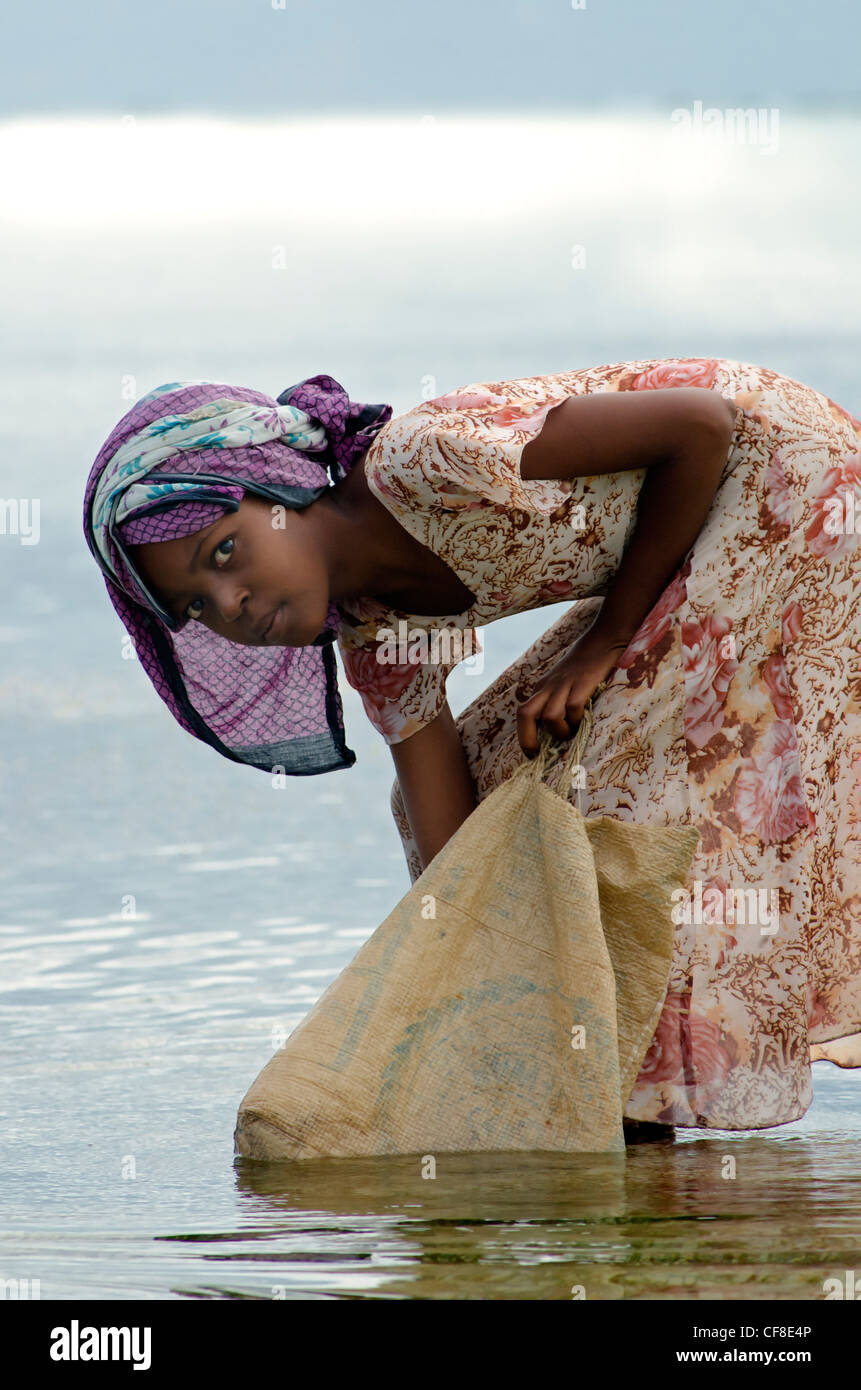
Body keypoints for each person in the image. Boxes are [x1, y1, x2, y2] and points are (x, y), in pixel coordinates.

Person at [83, 356, 861, 1133]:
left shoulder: (426, 461)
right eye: (193, 605)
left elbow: (700, 426)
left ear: (278, 485)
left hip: (786, 473)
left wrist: (606, 641)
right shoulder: (381, 641)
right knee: (500, 785)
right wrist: (466, 998)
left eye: (223, 552)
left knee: (609, 785)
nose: (229, 603)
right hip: (689, 540)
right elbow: (456, 850)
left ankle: (639, 1102)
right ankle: (600, 1084)